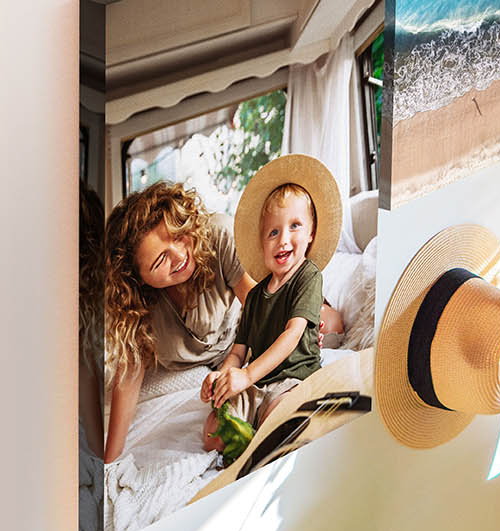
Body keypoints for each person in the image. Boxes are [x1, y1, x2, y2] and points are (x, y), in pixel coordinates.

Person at [103, 182, 258, 463]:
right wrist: (108, 460)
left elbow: (261, 309)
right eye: (160, 259)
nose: (179, 255)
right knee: (216, 439)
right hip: (185, 367)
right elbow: (128, 376)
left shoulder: (219, 234)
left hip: (236, 348)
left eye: (177, 236)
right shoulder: (134, 304)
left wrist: (232, 370)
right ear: (138, 280)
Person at [202, 156, 345, 446]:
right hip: (256, 382)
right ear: (262, 243)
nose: (283, 240)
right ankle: (251, 431)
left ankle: (265, 433)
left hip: (293, 380)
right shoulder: (254, 296)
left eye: (295, 226)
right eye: (273, 232)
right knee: (210, 435)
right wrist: (223, 376)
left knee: (280, 422)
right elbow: (238, 353)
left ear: (311, 234)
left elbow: (292, 335)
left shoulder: (308, 276)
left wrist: (247, 375)